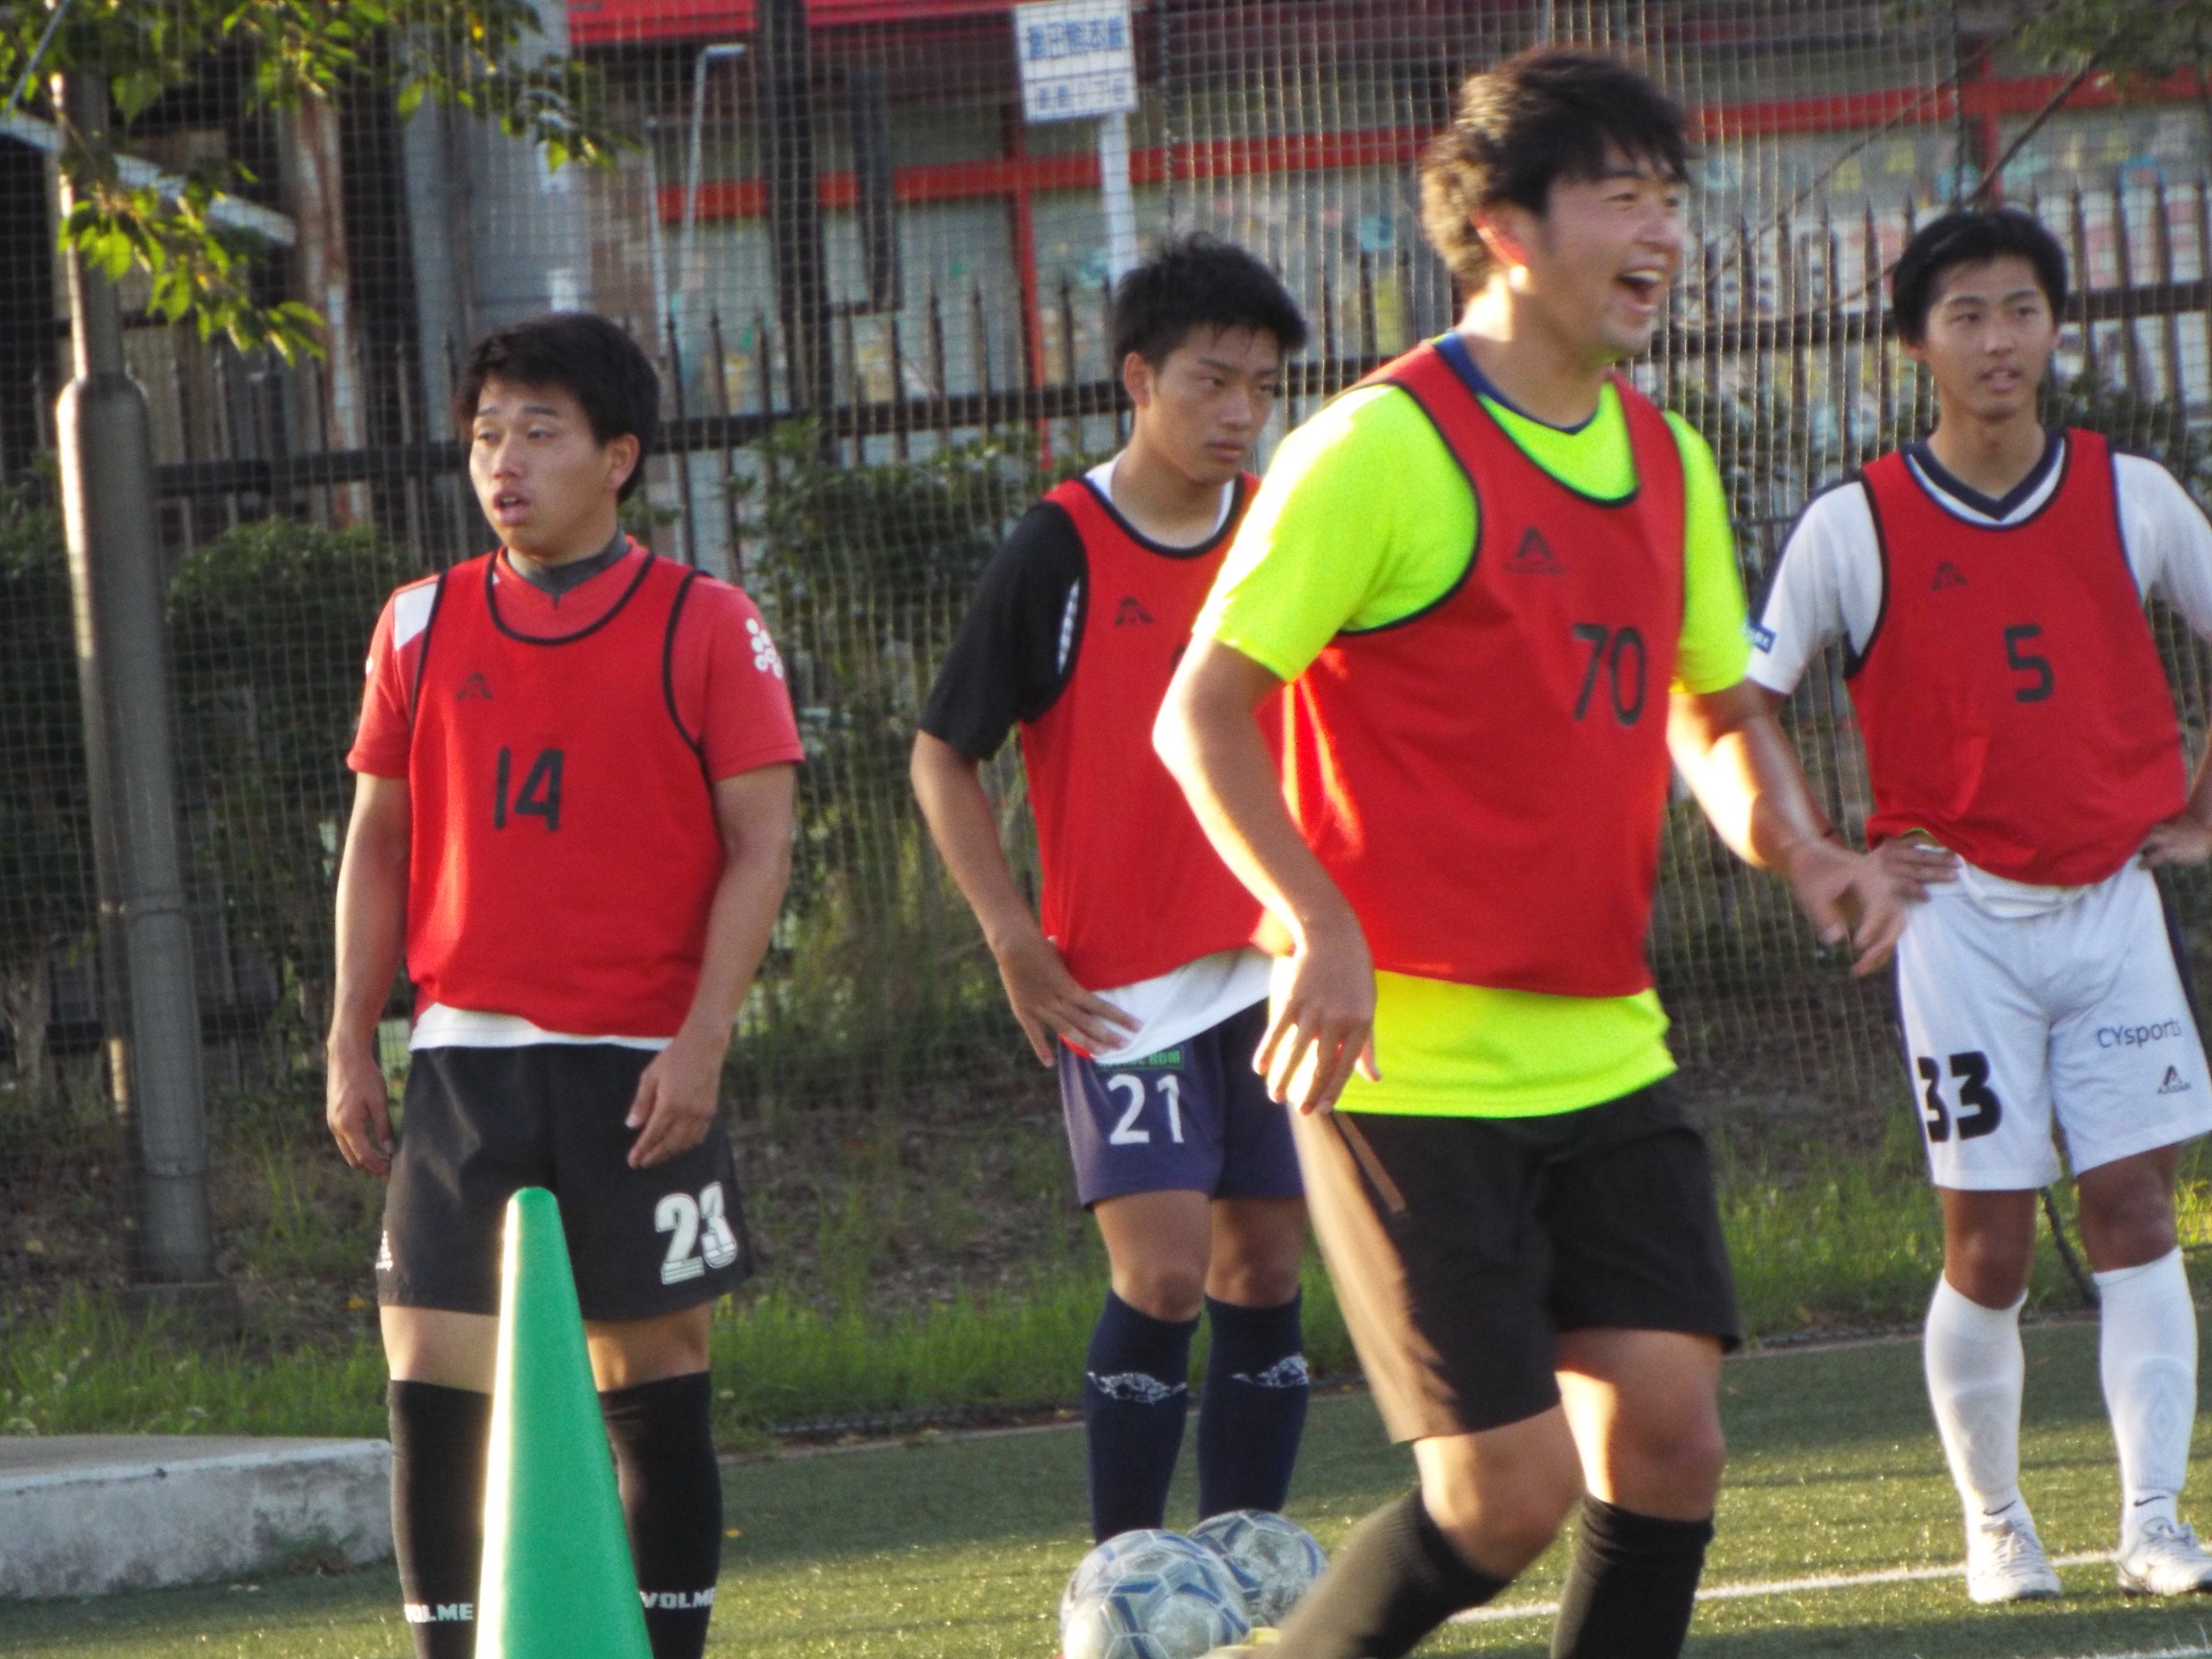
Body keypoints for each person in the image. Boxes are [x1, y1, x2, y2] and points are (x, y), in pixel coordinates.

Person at [1153, 50, 1918, 1659]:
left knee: (1670, 1438)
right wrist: (1318, 924)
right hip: (1407, 1063)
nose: (1662, 234)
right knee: (1503, 1496)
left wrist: (1802, 850)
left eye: (1671, 199)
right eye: (1621, 196)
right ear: (1506, 226)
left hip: (1606, 1044)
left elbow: (1712, 712)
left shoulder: (1666, 459)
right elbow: (1200, 715)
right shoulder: (1378, 448)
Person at [1748, 206, 2212, 1603]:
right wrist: (1823, 853)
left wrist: (2200, 807)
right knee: (1989, 1244)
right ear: (1916, 343)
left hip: (2113, 907)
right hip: (1957, 921)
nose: (1998, 340)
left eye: (2021, 309)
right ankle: (1997, 1524)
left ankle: (2155, 1522)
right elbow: (1744, 704)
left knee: (2136, 1211)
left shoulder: (2133, 493)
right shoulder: (1855, 520)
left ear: (2056, 327)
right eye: (1966, 315)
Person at [325, 312, 802, 1659]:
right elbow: (379, 842)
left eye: (539, 432)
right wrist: (351, 1033)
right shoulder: (417, 623)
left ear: (618, 457)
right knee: (430, 1381)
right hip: (461, 1064)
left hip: (638, 1064)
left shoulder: (708, 623)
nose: (504, 462)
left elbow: (761, 846)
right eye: (487, 434)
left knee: (654, 1378)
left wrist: (703, 1040)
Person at [910, 235, 1314, 1543]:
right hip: (1121, 982)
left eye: (1263, 387)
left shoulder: (1284, 532)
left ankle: (1242, 1567)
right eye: (1212, 381)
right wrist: (1010, 934)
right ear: (1139, 379)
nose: (1241, 413)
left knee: (1267, 1267)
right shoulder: (1062, 546)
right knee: (1165, 1270)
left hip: (1274, 964)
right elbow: (942, 754)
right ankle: (1127, 1573)